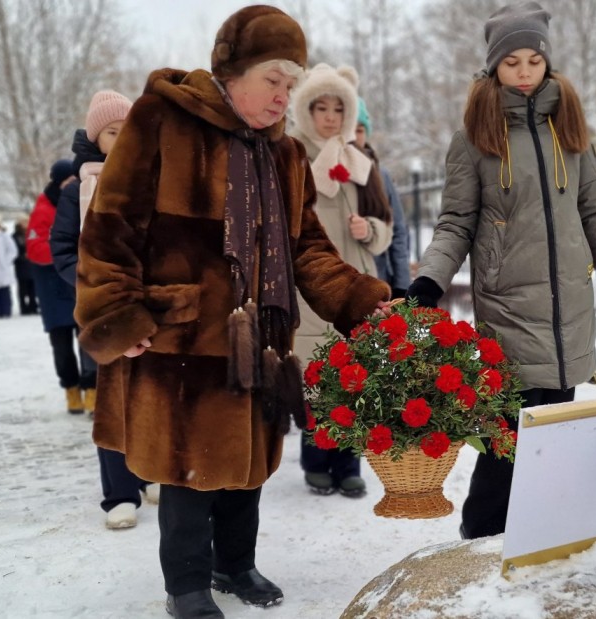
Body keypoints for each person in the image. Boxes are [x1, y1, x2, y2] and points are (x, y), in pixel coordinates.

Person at [73, 7, 391, 618]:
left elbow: (309, 252)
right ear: (232, 71)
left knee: (246, 465)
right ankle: (187, 587)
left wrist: (363, 303)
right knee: (188, 468)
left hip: (261, 336)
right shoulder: (162, 121)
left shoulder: (286, 156)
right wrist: (117, 313)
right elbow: (111, 228)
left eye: (291, 83)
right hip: (180, 335)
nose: (284, 95)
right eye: (274, 79)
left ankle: (235, 563)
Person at [405, 1, 596, 540]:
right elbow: (457, 220)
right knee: (507, 438)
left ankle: (539, 536)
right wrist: (429, 280)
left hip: (569, 310)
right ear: (494, 67)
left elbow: (594, 211)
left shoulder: (570, 131)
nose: (525, 71)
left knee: (555, 434)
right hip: (508, 305)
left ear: (548, 63)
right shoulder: (474, 137)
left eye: (535, 59)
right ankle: (481, 536)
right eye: (513, 62)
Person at [51, 92, 158, 530]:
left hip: (147, 301)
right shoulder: (78, 190)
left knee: (152, 394)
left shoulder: (151, 180)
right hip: (102, 307)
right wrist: (95, 282)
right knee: (112, 399)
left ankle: (151, 473)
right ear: (97, 137)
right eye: (113, 131)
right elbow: (61, 248)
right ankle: (119, 493)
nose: (122, 138)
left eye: (128, 129)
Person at [289, 63, 393, 499]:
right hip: (313, 290)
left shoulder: (360, 162)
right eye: (321, 107)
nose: (330, 117)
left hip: (358, 289)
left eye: (338, 108)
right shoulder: (292, 158)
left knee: (355, 383)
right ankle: (316, 461)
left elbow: (387, 227)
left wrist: (368, 230)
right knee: (317, 382)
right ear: (305, 110)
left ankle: (349, 463)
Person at [27, 160, 89, 414]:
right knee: (61, 344)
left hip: (78, 285)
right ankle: (71, 389)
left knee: (88, 340)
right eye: (67, 182)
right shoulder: (42, 210)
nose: (72, 186)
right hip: (54, 289)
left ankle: (93, 389)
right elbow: (34, 248)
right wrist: (64, 252)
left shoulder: (82, 198)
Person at [354, 98, 411, 299]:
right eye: (349, 130)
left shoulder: (380, 175)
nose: (354, 136)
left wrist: (402, 286)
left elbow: (399, 231)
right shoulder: (332, 174)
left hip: (380, 281)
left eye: (360, 130)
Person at [12, 216, 37, 315]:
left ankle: (33, 305)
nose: (25, 224)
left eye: (27, 221)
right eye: (23, 222)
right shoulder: (15, 236)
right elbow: (13, 250)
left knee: (32, 287)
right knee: (22, 288)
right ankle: (23, 307)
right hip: (21, 265)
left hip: (32, 264)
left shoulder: (32, 232)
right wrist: (22, 256)